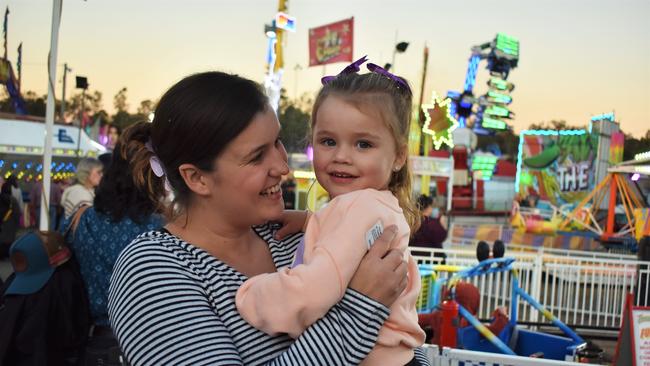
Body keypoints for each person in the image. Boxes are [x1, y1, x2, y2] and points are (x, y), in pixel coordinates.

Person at [107, 71, 411, 366]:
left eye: (278, 143)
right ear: (197, 178)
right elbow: (369, 312)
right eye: (256, 156)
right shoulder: (153, 268)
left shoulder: (290, 236)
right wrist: (360, 308)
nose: (282, 167)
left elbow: (400, 339)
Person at [236, 56, 427, 366]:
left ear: (398, 156)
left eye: (363, 144)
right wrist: (313, 221)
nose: (341, 156)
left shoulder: (358, 209)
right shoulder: (372, 206)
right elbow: (351, 245)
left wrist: (252, 295)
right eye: (328, 141)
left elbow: (312, 291)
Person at [410, 194, 448, 261]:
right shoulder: (433, 223)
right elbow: (441, 237)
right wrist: (443, 226)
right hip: (431, 260)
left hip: (413, 258)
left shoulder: (412, 222)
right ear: (428, 207)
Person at [0, 181, 21, 259]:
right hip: (10, 222)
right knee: (9, 238)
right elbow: (17, 212)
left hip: (1, 221)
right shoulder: (12, 200)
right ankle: (7, 253)